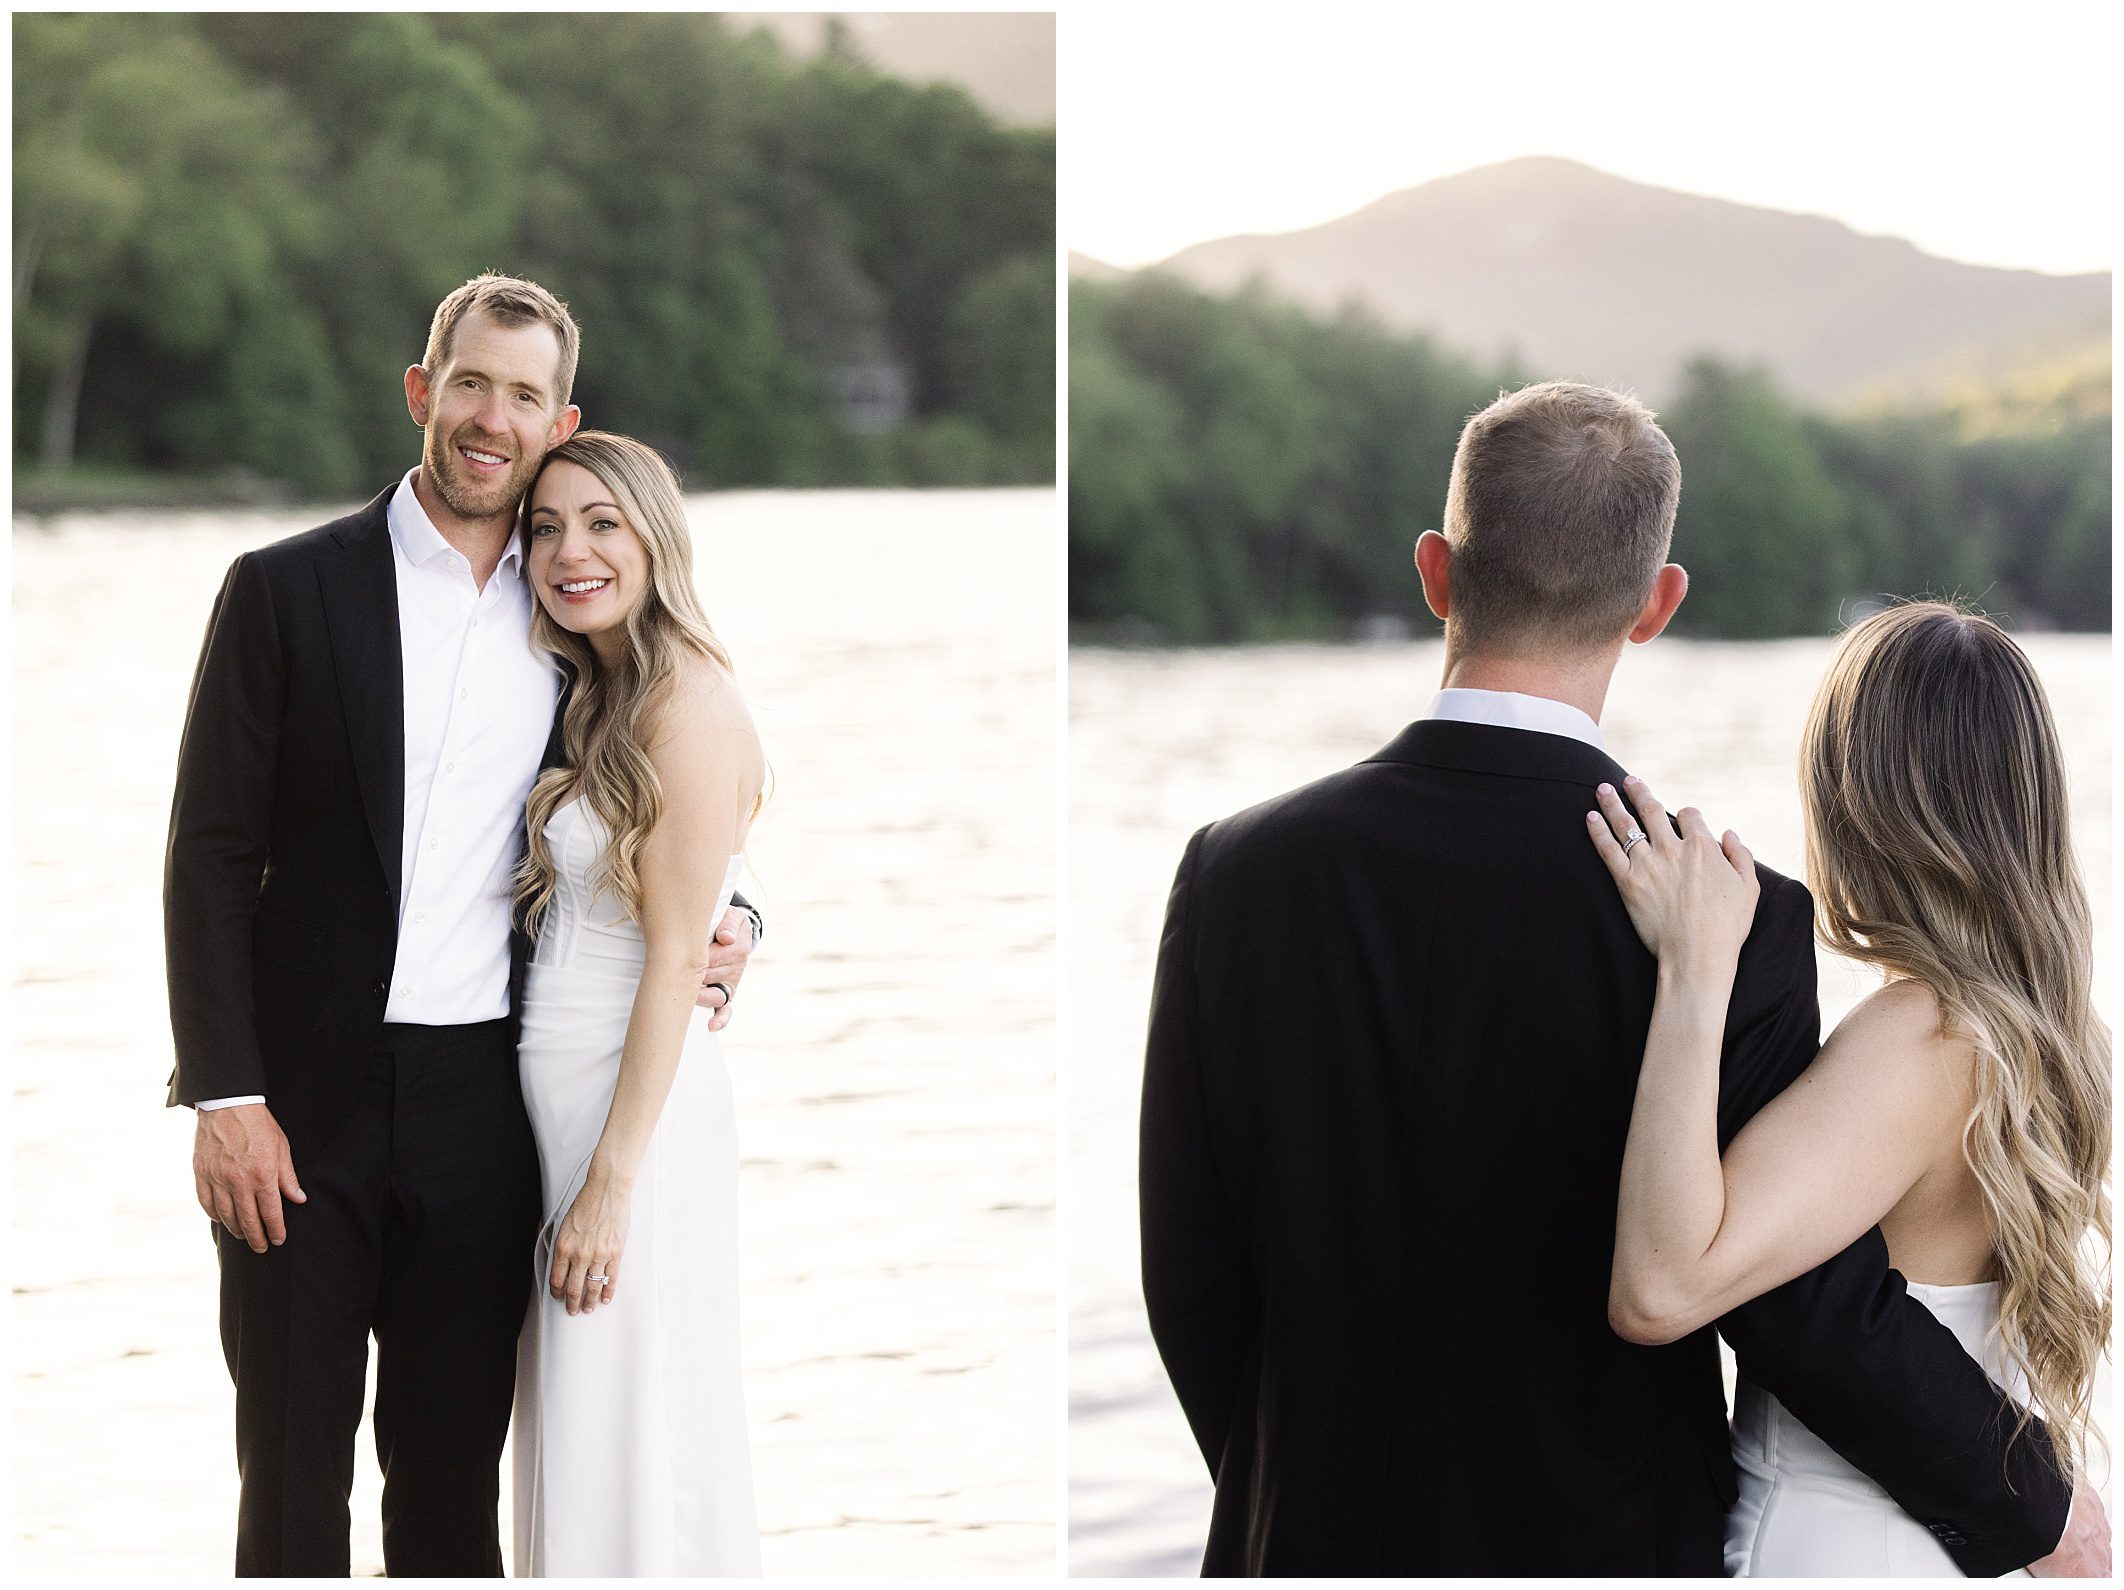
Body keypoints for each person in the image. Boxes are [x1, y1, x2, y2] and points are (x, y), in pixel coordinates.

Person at [1137, 381, 2105, 1575]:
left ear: (1438, 573)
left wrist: (1306, 1486)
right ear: (1655, 605)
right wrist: (2031, 1509)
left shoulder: (1234, 873)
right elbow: (1798, 1304)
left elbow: (1190, 1278)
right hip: (1618, 1546)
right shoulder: (1730, 912)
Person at [164, 273, 764, 1576]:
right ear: (423, 390)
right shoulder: (283, 592)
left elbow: (666, 801)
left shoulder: (574, 618)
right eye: (473, 382)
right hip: (298, 1106)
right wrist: (225, 1091)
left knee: (450, 1500)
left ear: (563, 418)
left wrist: (738, 915)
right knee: (290, 1481)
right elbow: (207, 854)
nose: (495, 416)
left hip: (486, 1109)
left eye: (526, 394)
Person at [1589, 602, 2110, 1575]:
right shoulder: (2031, 1028)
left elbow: (1660, 1288)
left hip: (1831, 1549)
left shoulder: (1921, 1033)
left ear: (1851, 793)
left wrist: (1694, 969)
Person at [508, 431, 765, 1574]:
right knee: (578, 1422)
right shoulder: (595, 688)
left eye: (602, 523)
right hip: (561, 1106)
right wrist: (749, 913)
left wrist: (611, 1185)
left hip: (635, 1120)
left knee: (641, 1419)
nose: (572, 551)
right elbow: (708, 884)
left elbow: (670, 960)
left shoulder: (691, 703)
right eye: (548, 526)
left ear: (655, 536)